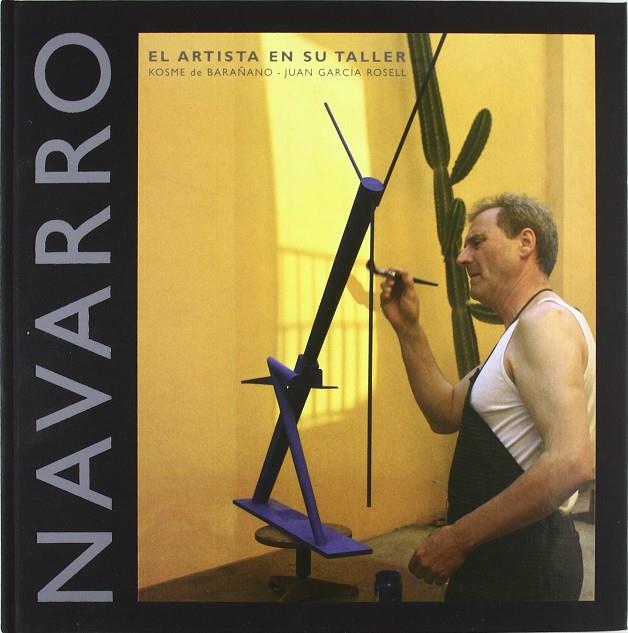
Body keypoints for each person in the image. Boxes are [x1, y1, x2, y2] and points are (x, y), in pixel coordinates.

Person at [380, 193, 595, 601]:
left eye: (477, 242)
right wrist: (408, 328)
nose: (462, 257)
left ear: (525, 243)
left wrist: (457, 538)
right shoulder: (523, 331)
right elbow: (445, 411)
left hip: (525, 565)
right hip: (504, 558)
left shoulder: (544, 323)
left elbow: (571, 464)